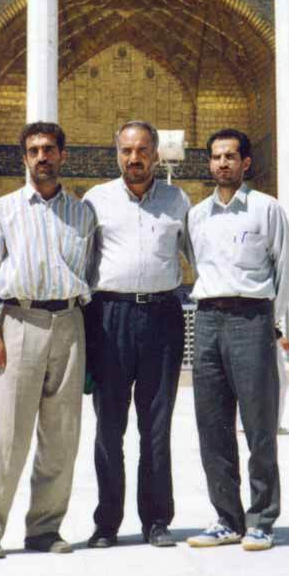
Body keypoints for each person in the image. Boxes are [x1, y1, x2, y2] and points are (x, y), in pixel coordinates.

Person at [0, 122, 96, 560]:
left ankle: (44, 528)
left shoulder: (82, 214)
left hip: (70, 322)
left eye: (49, 149)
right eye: (34, 150)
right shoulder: (0, 211)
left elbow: (90, 276)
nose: (42, 156)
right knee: (9, 435)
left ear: (62, 155)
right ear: (24, 158)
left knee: (61, 437)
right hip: (20, 321)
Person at [186, 128, 289, 552]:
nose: (222, 164)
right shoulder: (197, 216)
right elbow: (195, 261)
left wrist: (271, 318)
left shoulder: (266, 209)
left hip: (252, 317)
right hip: (207, 319)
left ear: (245, 163)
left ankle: (262, 519)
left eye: (230, 156)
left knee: (258, 425)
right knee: (212, 425)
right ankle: (227, 519)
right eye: (216, 157)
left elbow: (287, 269)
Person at [82, 121, 193, 549]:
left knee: (156, 425)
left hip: (162, 316)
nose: (134, 158)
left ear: (156, 154)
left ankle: (157, 520)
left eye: (142, 150)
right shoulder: (97, 200)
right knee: (109, 427)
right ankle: (107, 523)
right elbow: (83, 262)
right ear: (117, 154)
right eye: (127, 151)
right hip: (110, 317)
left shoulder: (176, 200)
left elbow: (197, 254)